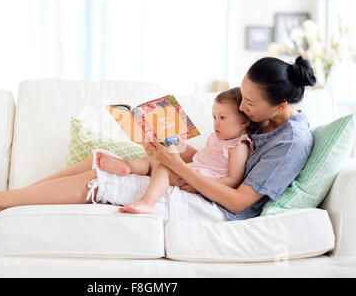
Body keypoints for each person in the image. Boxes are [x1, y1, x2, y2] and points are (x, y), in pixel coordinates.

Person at [0, 55, 315, 223]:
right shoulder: (260, 121)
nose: (243, 109)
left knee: (98, 180)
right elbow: (214, 159)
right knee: (97, 159)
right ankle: (10, 202)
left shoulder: (291, 141)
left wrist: (172, 164)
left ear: (280, 104)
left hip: (212, 208)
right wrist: (175, 148)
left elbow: (235, 200)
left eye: (249, 104)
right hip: (197, 183)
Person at [95, 87, 255, 215]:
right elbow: (202, 158)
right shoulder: (217, 139)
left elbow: (233, 180)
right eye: (214, 118)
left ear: (243, 120)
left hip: (200, 181)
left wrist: (199, 186)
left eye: (222, 118)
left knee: (163, 167)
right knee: (154, 159)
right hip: (193, 172)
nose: (216, 123)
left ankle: (147, 203)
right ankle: (127, 166)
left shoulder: (239, 146)